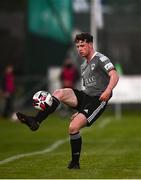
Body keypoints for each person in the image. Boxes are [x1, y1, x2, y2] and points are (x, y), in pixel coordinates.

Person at [16, 32, 119, 169]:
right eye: (77, 46)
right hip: (85, 96)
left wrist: (108, 90)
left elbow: (114, 75)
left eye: (82, 45)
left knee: (73, 127)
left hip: (97, 100)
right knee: (59, 92)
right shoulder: (83, 65)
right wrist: (80, 110)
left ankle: (75, 163)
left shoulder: (100, 58)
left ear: (90, 44)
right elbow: (87, 88)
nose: (79, 49)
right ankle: (36, 121)